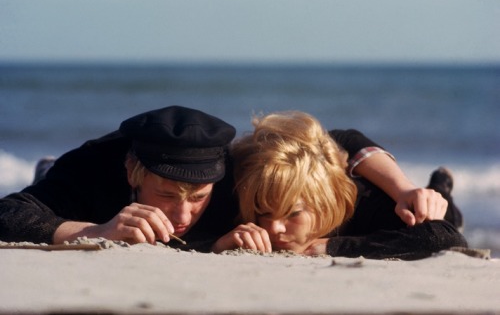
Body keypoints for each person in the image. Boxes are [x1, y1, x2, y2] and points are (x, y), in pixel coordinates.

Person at [0, 105, 458, 253]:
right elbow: (8, 213)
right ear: (133, 172)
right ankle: (47, 167)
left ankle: (439, 184)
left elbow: (334, 139)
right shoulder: (98, 163)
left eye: (198, 197)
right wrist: (94, 231)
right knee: (56, 192)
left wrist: (404, 188)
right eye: (166, 195)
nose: (183, 213)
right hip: (86, 198)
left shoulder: (237, 174)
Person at [212, 111, 466, 260]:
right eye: (265, 212)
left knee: (439, 211)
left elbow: (444, 237)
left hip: (379, 197)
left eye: (293, 213)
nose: (274, 227)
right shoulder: (248, 192)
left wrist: (330, 246)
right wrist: (218, 245)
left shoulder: (367, 203)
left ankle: (441, 185)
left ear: (324, 203)